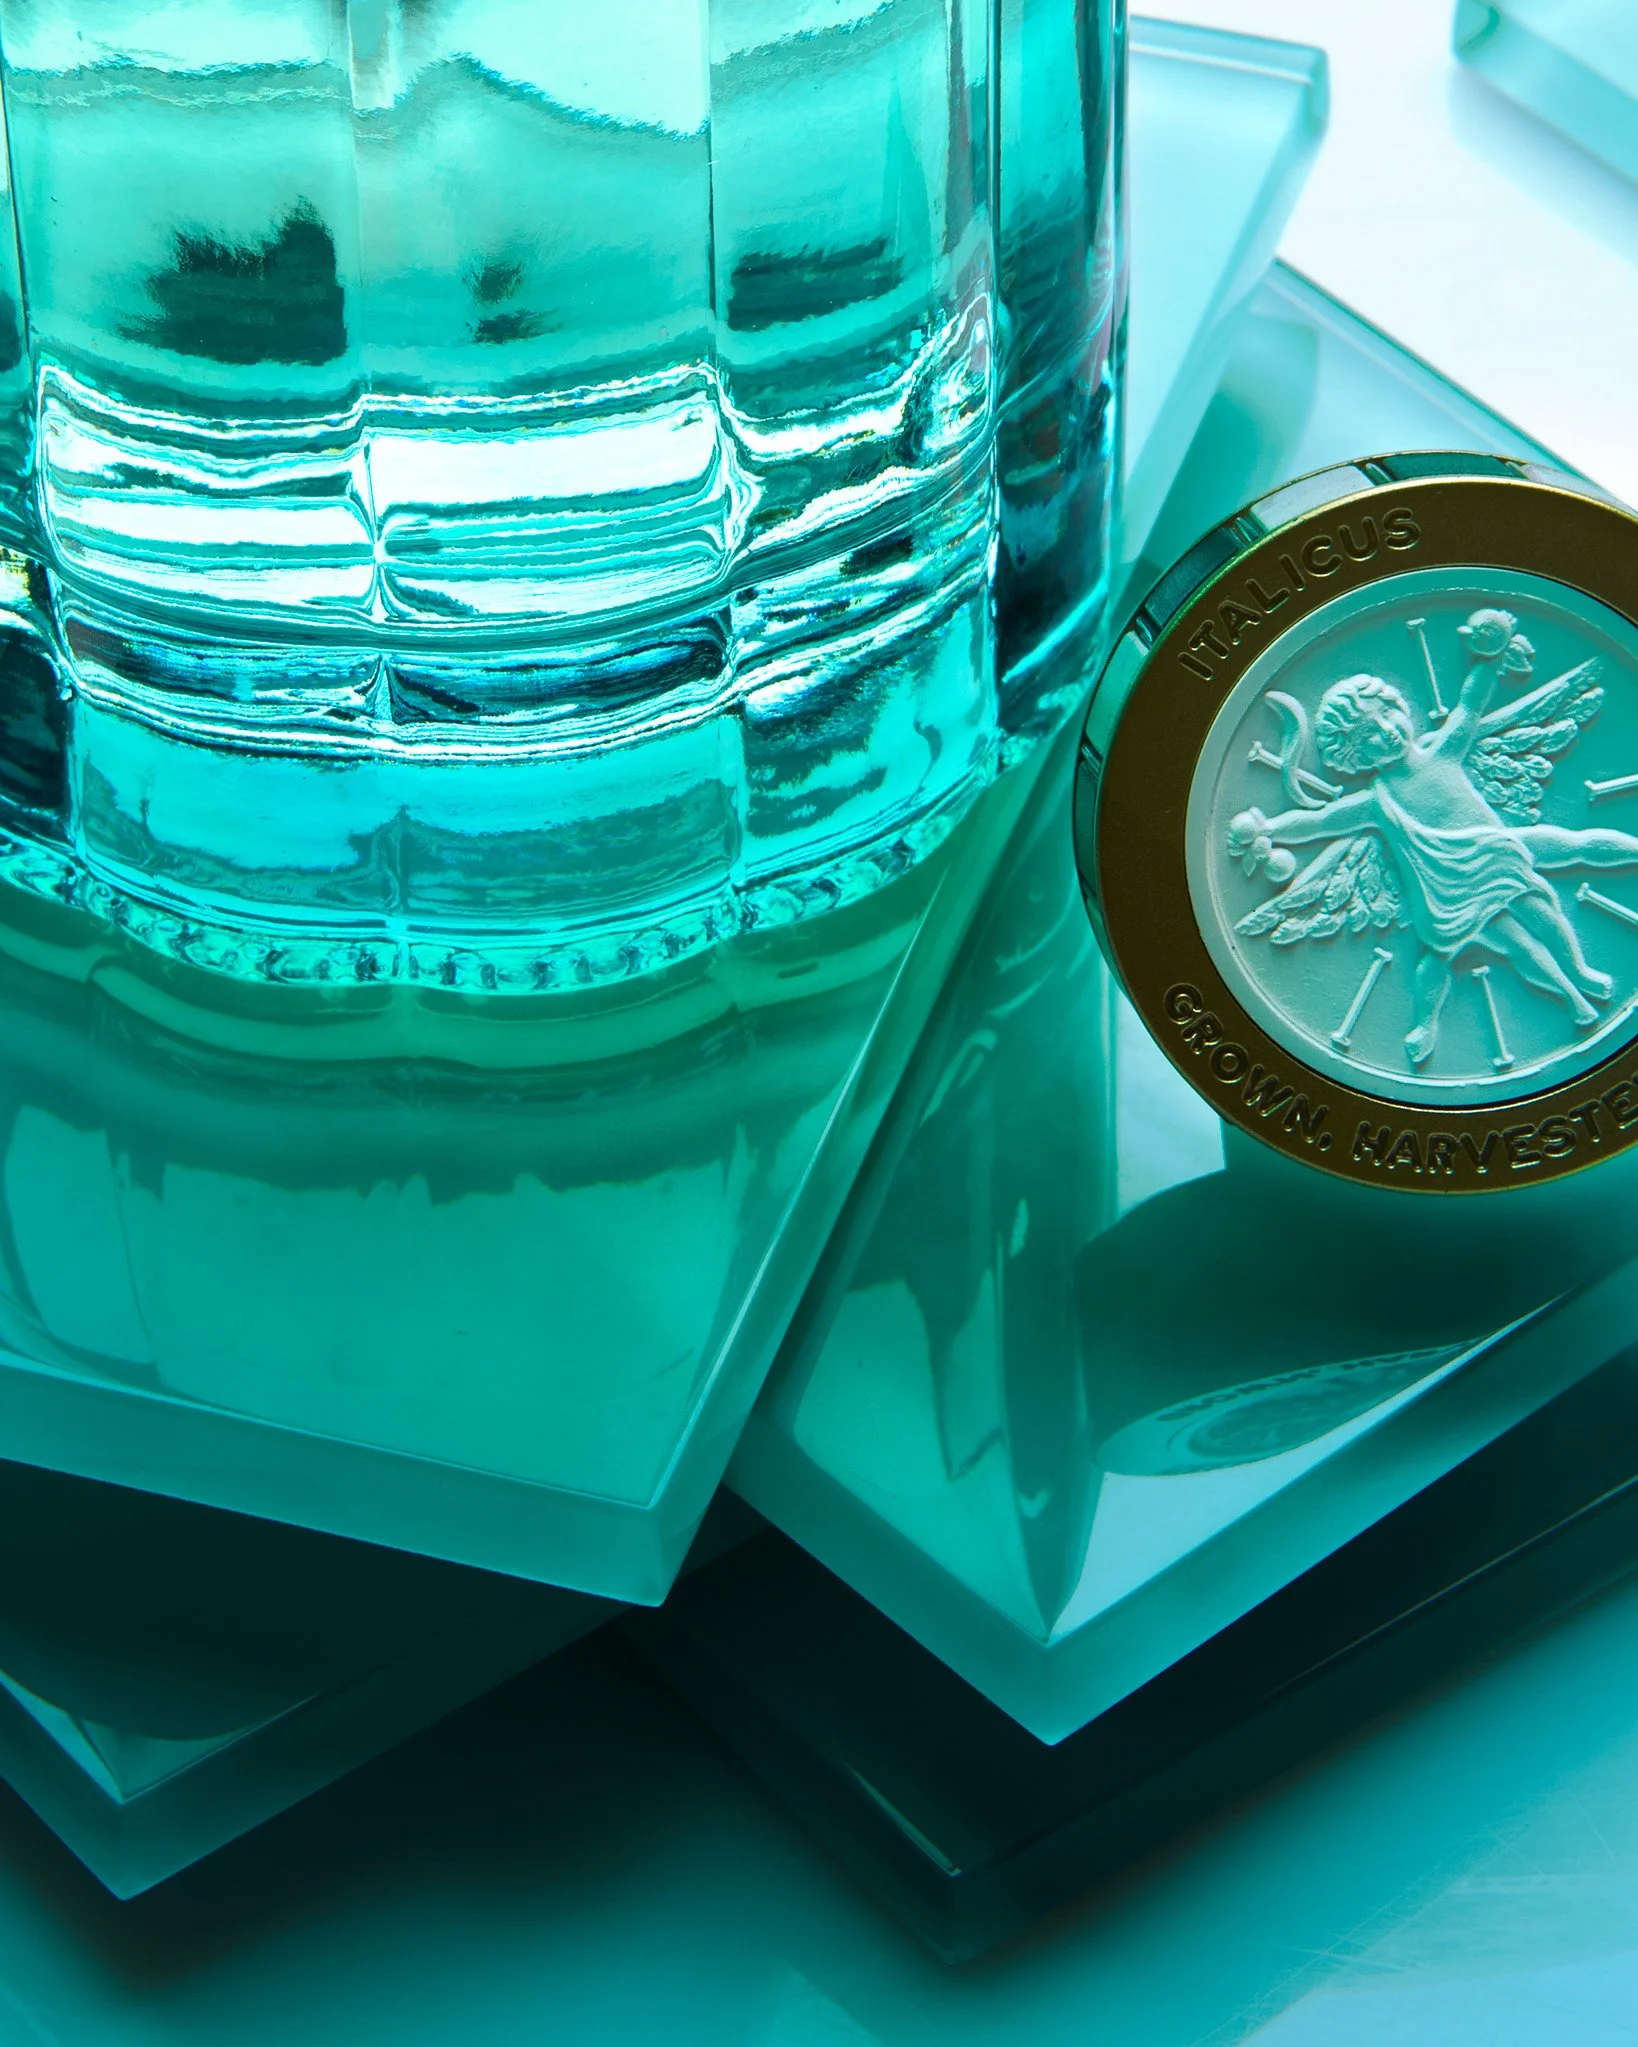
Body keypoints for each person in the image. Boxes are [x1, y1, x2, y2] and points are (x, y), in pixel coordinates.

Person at [1229, 615, 1638, 1066]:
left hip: (1497, 852)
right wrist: (1269, 828)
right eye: (1368, 735)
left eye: (1385, 716)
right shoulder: (1375, 803)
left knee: (1550, 898)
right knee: (1487, 950)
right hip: (1449, 889)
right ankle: (1461, 1018)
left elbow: (1469, 707)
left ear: (1398, 706)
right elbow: (1322, 821)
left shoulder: (1444, 752)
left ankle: (1579, 971)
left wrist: (1489, 660)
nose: (1385, 732)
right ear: (1354, 756)